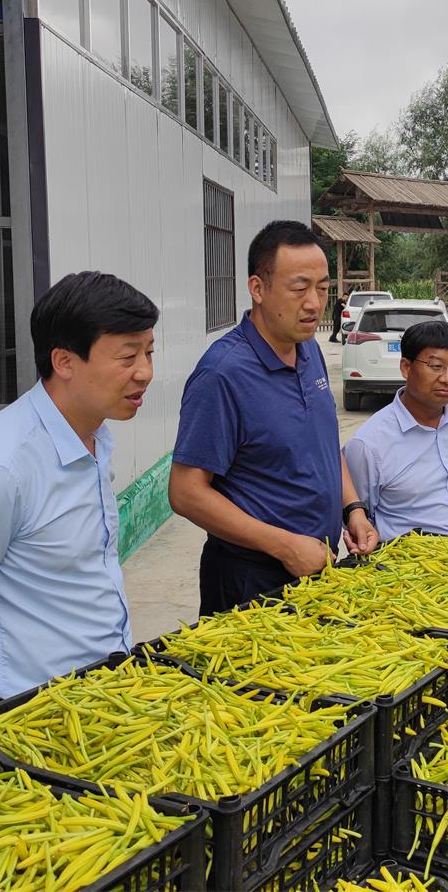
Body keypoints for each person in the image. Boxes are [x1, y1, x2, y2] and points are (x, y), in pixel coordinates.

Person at [0, 272, 158, 730]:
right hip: (26, 715)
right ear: (64, 360)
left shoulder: (95, 438)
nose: (145, 372)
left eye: (149, 352)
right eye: (127, 356)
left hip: (104, 697)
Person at [169, 220, 379, 617]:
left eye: (323, 288)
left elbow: (323, 445)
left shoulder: (309, 351)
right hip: (251, 578)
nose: (315, 303)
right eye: (299, 288)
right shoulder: (223, 374)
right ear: (258, 289)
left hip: (318, 563)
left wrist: (353, 509)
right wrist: (284, 545)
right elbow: (185, 492)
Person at [343, 320, 448, 543]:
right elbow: (358, 515)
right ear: (406, 368)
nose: (447, 378)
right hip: (411, 566)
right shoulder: (369, 444)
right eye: (436, 366)